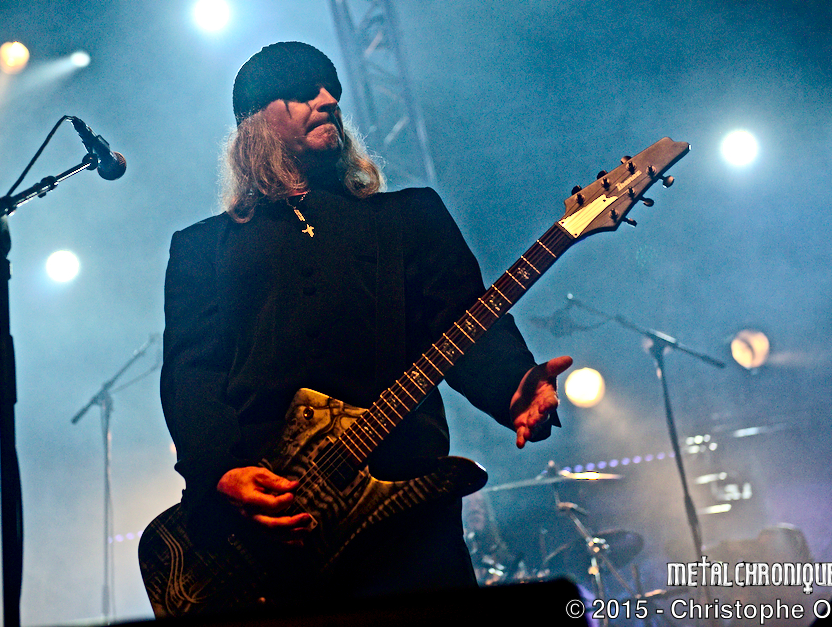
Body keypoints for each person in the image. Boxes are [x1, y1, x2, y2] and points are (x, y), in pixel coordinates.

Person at [158, 41, 572, 610]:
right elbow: (192, 375)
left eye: (331, 89)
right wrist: (220, 471)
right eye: (303, 92)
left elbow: (463, 322)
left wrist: (513, 385)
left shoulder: (409, 217)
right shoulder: (203, 248)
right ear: (255, 122)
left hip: (408, 519)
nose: (327, 99)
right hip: (271, 535)